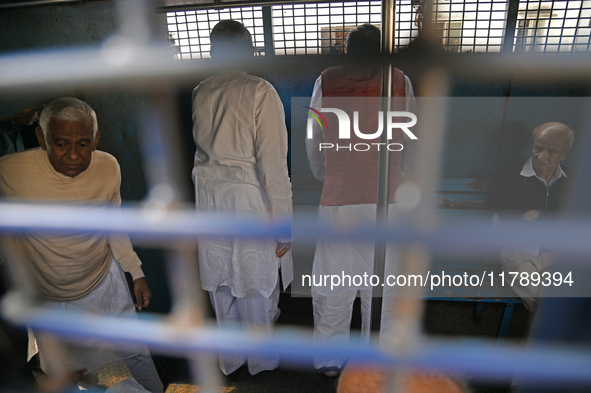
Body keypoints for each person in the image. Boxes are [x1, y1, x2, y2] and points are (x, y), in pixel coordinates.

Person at [0, 97, 163, 393]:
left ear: (96, 140)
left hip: (104, 283)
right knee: (80, 375)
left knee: (134, 350)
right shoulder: (10, 172)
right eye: (61, 144)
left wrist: (135, 271)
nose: (73, 156)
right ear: (41, 138)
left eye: (84, 144)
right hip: (51, 298)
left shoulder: (108, 167)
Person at [305, 24, 417, 376]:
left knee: (334, 283)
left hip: (341, 198)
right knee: (383, 283)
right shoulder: (401, 80)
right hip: (389, 200)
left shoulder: (327, 79)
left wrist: (326, 174)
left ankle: (329, 360)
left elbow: (314, 135)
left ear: (347, 51)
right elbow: (412, 135)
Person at [191, 20, 293, 376]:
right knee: (256, 283)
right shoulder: (259, 91)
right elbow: (273, 165)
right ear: (249, 50)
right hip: (248, 198)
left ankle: (231, 359)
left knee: (221, 283)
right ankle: (261, 362)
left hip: (208, 196)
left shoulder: (201, 91)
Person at [493, 122, 573, 312]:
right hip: (518, 252)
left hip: (557, 254)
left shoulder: (572, 180)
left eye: (551, 152)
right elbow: (511, 220)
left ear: (565, 153)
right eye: (538, 148)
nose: (541, 157)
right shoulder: (510, 175)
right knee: (550, 303)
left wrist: (540, 215)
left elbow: (577, 219)